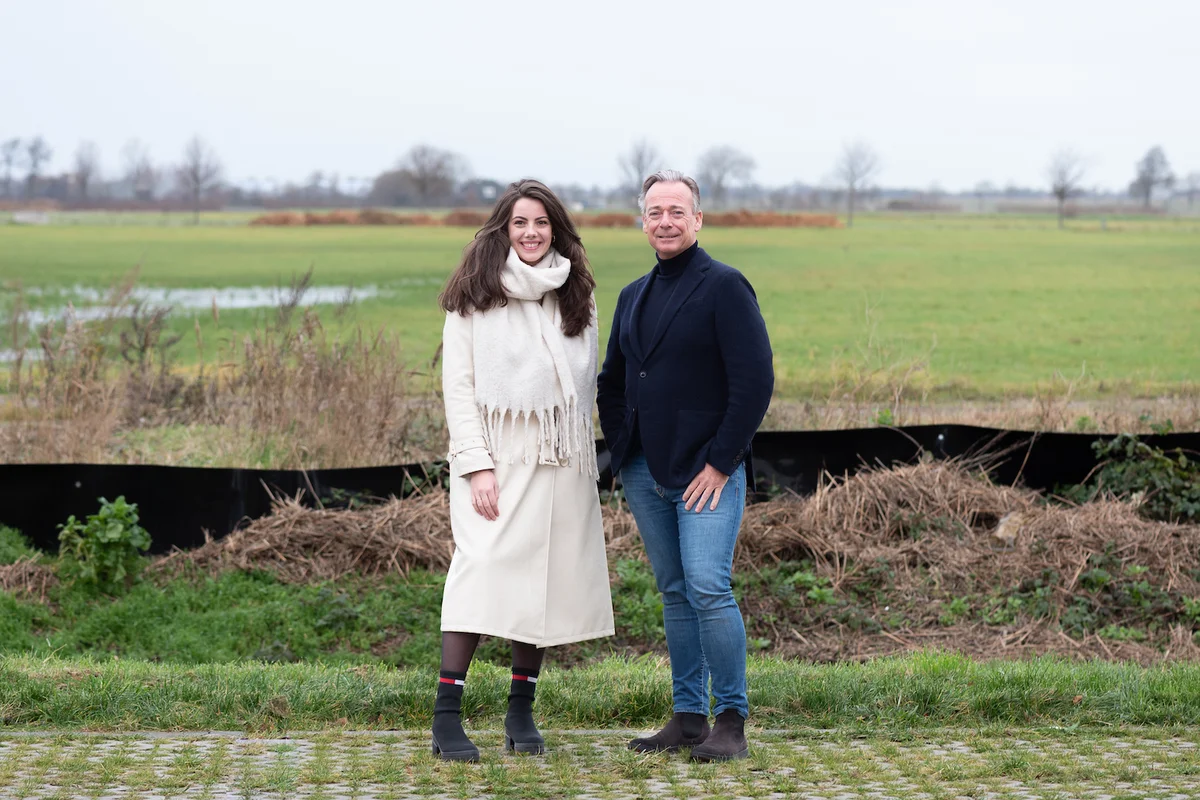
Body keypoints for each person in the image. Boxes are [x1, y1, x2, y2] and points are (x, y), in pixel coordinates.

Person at [433, 179, 615, 761]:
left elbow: (588, 386)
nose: (531, 233)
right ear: (503, 230)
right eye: (520, 223)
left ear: (556, 230)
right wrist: (477, 467)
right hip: (498, 464)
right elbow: (459, 390)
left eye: (541, 223)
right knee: (479, 571)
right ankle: (446, 718)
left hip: (562, 462)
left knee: (541, 584)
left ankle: (520, 713)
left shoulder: (576, 295)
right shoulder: (473, 298)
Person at [596, 169, 774, 762]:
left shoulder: (724, 286)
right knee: (674, 592)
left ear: (697, 219)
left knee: (707, 587)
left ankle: (731, 721)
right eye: (655, 212)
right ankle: (689, 718)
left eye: (677, 211)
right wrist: (622, 451)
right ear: (641, 220)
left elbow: (754, 383)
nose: (665, 221)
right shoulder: (631, 296)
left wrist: (721, 463)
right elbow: (613, 383)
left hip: (706, 474)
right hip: (646, 472)